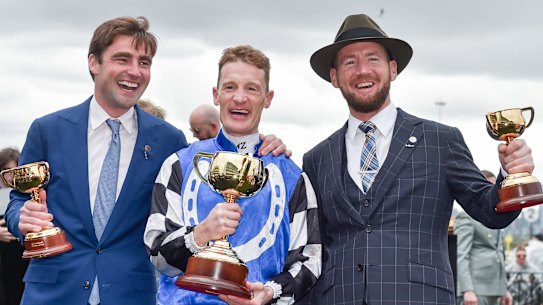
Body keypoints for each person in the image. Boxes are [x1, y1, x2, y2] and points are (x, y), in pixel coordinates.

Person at [4, 17, 289, 305]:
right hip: (52, 293)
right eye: (123, 59)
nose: (134, 71)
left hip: (131, 295)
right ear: (94, 63)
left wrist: (265, 147)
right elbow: (18, 200)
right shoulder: (48, 130)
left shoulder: (170, 142)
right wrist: (22, 218)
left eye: (144, 62)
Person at [298, 13, 534, 305]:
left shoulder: (440, 140)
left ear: (392, 69)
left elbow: (491, 211)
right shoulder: (316, 158)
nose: (362, 71)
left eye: (373, 59)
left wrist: (510, 173)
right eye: (350, 62)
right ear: (334, 77)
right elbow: (310, 247)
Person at [144, 45, 321, 305]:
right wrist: (200, 233)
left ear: (267, 98)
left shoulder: (292, 177)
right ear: (216, 95)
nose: (240, 98)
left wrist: (270, 292)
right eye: (230, 87)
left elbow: (311, 259)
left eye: (252, 88)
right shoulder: (178, 166)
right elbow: (156, 252)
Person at [455, 170, 512, 305]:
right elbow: (461, 254)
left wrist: (504, 289)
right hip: (476, 291)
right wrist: (467, 289)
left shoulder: (498, 217)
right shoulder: (466, 217)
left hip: (496, 290)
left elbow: (499, 253)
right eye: (491, 187)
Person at [0, 147, 29, 305]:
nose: (10, 175)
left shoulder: (28, 193)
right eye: (5, 170)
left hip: (22, 254)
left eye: (14, 170)